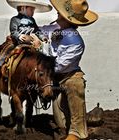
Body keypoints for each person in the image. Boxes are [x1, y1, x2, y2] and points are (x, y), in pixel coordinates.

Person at [33, 0, 98, 139]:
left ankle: (77, 132)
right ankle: (73, 125)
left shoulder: (76, 43)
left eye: (60, 14)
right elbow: (41, 30)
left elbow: (57, 66)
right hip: (56, 78)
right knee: (61, 122)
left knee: (76, 84)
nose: (57, 13)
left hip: (69, 76)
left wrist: (40, 47)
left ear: (68, 19)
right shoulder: (56, 28)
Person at [0, 0, 52, 70]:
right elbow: (13, 31)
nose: (33, 12)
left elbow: (37, 31)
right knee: (9, 48)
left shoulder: (32, 20)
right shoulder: (15, 19)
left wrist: (42, 37)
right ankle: (0, 62)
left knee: (41, 51)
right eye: (31, 9)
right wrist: (19, 36)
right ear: (23, 8)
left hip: (30, 42)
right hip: (17, 42)